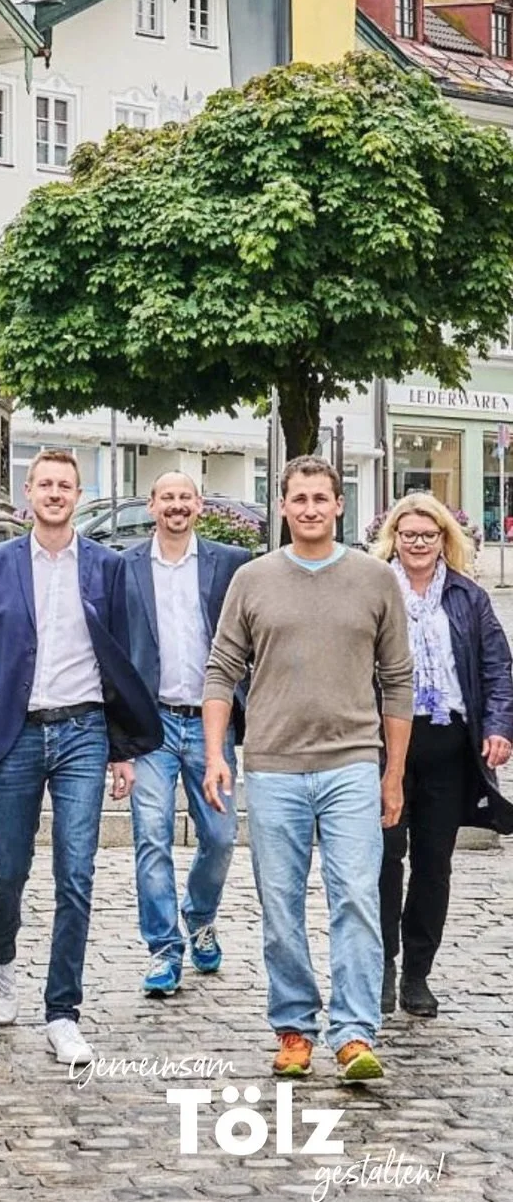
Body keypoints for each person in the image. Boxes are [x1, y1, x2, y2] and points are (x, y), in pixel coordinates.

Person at [0, 448, 160, 1067]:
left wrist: (123, 749)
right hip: (14, 734)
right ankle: (0, 961)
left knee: (77, 874)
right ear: (29, 494)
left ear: (77, 493)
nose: (56, 493)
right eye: (45, 484)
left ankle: (63, 1011)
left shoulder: (107, 566)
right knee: (6, 869)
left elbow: (122, 660)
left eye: (66, 485)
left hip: (84, 731)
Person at [203, 456, 413, 1082]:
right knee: (281, 904)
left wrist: (393, 773)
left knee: (355, 897)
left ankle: (353, 1034)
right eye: (300, 499)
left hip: (352, 761)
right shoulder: (253, 579)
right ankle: (294, 1026)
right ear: (284, 506)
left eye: (322, 498)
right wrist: (217, 753)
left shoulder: (375, 580)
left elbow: (398, 682)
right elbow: (220, 671)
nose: (312, 508)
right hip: (272, 766)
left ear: (339, 504)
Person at [369, 493, 513, 1018]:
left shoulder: (468, 597)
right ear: (394, 539)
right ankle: (381, 966)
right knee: (384, 859)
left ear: (444, 539)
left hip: (448, 742)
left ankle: (417, 975)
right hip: (386, 743)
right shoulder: (376, 587)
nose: (418, 543)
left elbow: (498, 668)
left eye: (428, 534)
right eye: (408, 534)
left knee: (434, 864)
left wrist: (498, 727)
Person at [124, 473, 253, 997]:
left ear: (200, 505)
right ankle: (163, 948)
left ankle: (199, 915)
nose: (176, 506)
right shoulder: (125, 566)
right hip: (150, 723)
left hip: (210, 723)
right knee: (151, 838)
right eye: (166, 497)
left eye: (185, 497)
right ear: (151, 505)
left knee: (221, 836)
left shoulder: (230, 563)